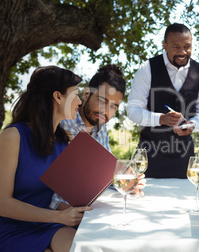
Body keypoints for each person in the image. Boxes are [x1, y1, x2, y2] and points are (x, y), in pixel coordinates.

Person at [0, 66, 93, 252]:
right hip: (11, 228)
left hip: (46, 223)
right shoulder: (13, 136)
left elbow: (64, 192)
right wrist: (59, 217)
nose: (79, 102)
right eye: (75, 94)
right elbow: (2, 203)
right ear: (58, 96)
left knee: (82, 247)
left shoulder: (62, 139)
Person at [50, 64, 145, 210]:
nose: (106, 111)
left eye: (113, 106)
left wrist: (127, 181)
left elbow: (106, 173)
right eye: (102, 101)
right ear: (86, 94)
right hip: (59, 212)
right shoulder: (62, 123)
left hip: (86, 209)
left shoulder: (101, 129)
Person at [126, 23, 199, 178]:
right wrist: (161, 119)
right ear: (165, 46)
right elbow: (132, 109)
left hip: (185, 158)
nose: (183, 52)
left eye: (187, 46)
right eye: (176, 47)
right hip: (148, 157)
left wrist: (193, 125)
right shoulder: (147, 69)